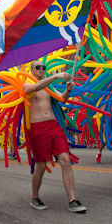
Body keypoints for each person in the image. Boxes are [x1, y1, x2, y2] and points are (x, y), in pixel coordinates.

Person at [22, 60, 87, 212]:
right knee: (41, 165)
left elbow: (61, 99)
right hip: (38, 129)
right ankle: (34, 197)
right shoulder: (27, 84)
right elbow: (33, 88)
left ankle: (72, 199)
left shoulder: (48, 87)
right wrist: (55, 76)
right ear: (32, 70)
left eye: (43, 67)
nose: (41, 69)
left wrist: (68, 90)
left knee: (65, 159)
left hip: (53, 126)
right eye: (38, 67)